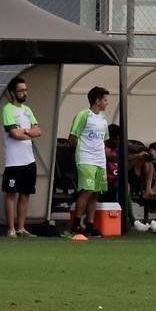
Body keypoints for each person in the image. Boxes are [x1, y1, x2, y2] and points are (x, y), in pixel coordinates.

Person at [0, 76, 42, 237]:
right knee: (11, 194)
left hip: (29, 160)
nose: (25, 93)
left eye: (26, 90)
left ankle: (21, 228)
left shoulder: (28, 110)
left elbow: (38, 131)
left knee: (25, 194)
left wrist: (24, 131)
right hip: (14, 161)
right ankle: (11, 228)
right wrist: (28, 132)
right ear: (13, 93)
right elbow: (14, 134)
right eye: (21, 90)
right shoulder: (7, 109)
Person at [67, 85, 110, 236]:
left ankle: (90, 224)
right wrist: (82, 150)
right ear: (97, 101)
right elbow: (72, 137)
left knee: (96, 192)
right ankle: (76, 224)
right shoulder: (83, 115)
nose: (107, 103)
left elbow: (104, 140)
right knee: (87, 190)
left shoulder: (104, 119)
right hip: (86, 158)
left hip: (100, 160)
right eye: (105, 100)